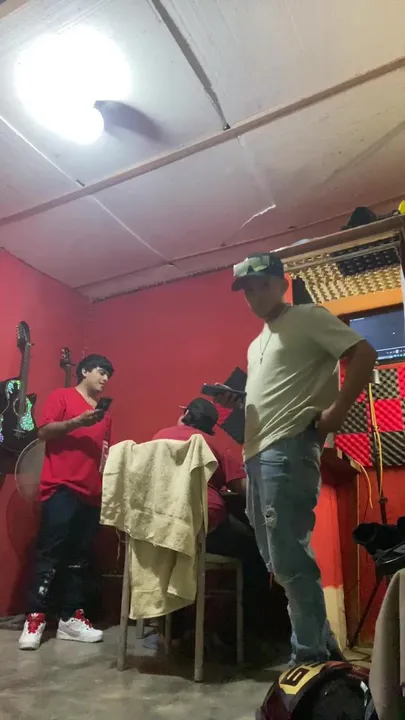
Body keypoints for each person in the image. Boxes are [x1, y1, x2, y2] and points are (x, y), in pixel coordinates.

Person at [217, 252, 377, 666]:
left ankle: (309, 659)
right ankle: (325, 656)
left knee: (289, 560)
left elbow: (364, 353)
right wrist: (240, 401)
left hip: (287, 448)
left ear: (281, 283)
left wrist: (337, 411)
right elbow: (277, 392)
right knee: (278, 559)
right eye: (247, 290)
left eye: (261, 285)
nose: (254, 295)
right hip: (258, 454)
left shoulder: (307, 317)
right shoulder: (257, 343)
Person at [19, 353, 114, 651]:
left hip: (91, 493)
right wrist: (76, 422)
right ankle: (35, 619)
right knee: (50, 553)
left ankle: (71, 619)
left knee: (80, 559)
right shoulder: (61, 397)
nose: (105, 378)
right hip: (60, 488)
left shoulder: (104, 413)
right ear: (84, 371)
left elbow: (103, 451)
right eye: (101, 371)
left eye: (108, 375)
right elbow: (43, 432)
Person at [153, 398, 271, 638]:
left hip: (161, 529)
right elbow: (244, 489)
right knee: (256, 550)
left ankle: (171, 631)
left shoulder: (157, 439)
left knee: (177, 557)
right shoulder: (211, 443)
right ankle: (244, 633)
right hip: (203, 525)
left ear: (186, 413)